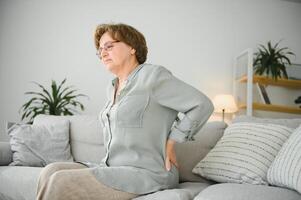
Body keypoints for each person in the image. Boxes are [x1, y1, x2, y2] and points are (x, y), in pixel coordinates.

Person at [36, 23, 213, 200]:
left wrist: (173, 141)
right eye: (100, 50)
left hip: (148, 172)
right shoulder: (111, 87)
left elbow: (202, 104)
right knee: (50, 171)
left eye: (109, 46)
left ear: (132, 48)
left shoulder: (152, 76)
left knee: (61, 180)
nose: (103, 53)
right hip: (113, 168)